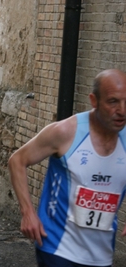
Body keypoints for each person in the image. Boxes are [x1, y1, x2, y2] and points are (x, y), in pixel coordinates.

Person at [8, 69, 126, 267]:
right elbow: (17, 161)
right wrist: (28, 212)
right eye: (113, 101)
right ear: (94, 101)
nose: (122, 110)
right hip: (57, 247)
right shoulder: (66, 132)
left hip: (101, 254)